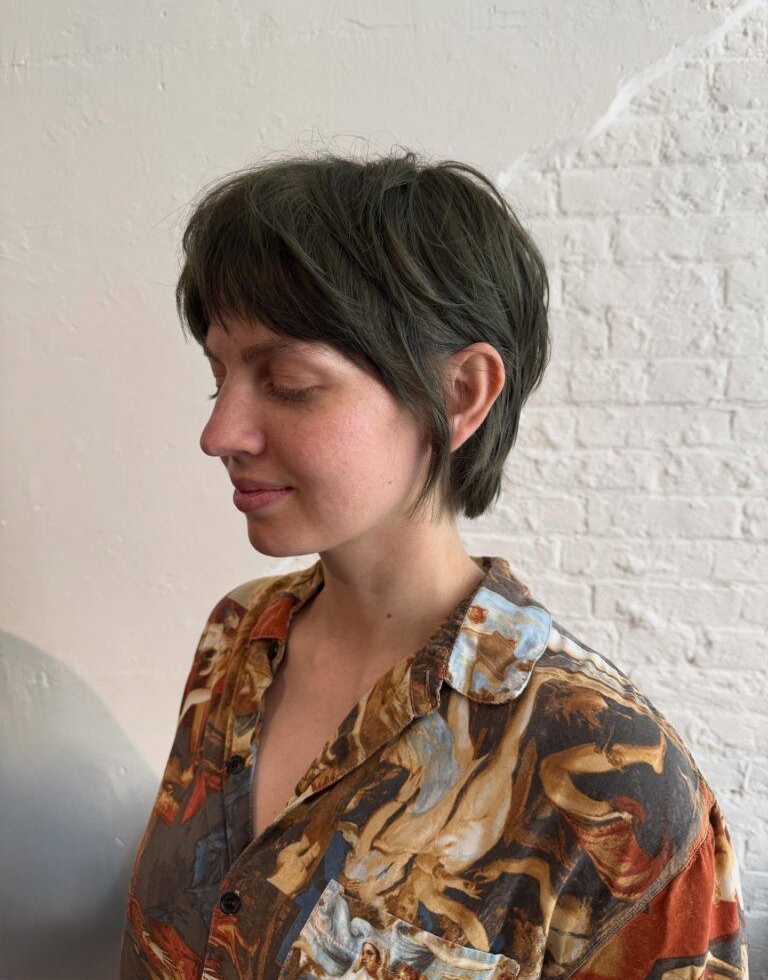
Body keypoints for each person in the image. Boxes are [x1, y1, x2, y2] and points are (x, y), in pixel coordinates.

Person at [120, 150, 748, 980]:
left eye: (288, 382)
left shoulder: (616, 780)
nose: (220, 433)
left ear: (460, 395)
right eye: (218, 378)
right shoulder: (236, 639)